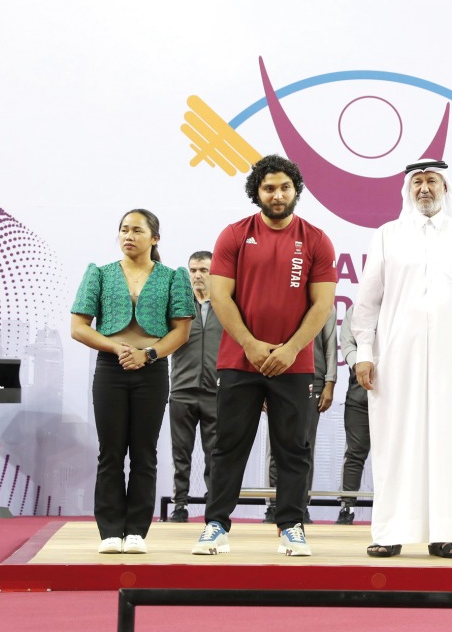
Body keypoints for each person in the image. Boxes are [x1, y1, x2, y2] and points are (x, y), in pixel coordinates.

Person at [352, 159, 452, 558]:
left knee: (450, 442)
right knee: (394, 442)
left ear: (445, 187)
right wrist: (364, 353)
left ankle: (446, 533)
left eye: (431, 181)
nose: (424, 189)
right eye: (417, 182)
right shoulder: (387, 236)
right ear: (407, 189)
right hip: (395, 360)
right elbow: (365, 303)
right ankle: (388, 532)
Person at [192, 155, 336, 557]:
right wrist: (252, 345)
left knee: (294, 449)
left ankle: (291, 526)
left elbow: (322, 305)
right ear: (256, 192)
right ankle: (216, 525)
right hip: (240, 361)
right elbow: (220, 296)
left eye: (284, 187)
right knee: (228, 446)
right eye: (269, 188)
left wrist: (290, 349)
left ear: (296, 191)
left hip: (295, 364)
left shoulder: (317, 239)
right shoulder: (234, 235)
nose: (277, 195)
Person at [70, 209, 193, 554]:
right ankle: (110, 530)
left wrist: (148, 355)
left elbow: (181, 332)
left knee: (144, 453)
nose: (128, 236)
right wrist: (116, 347)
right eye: (124, 230)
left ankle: (136, 530)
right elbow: (78, 327)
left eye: (137, 230)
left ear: (155, 238)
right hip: (110, 370)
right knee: (110, 452)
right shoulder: (100, 274)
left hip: (151, 372)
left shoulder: (172, 277)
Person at [265, 311, 336, 525]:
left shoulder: (325, 305)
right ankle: (273, 505)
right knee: (274, 447)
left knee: (305, 448)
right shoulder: (281, 297)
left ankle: (300, 505)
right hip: (278, 376)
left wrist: (330, 382)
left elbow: (330, 345)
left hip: (312, 380)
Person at [166, 251, 221, 523]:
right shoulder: (178, 309)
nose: (197, 275)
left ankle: (214, 507)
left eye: (204, 270)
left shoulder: (227, 308)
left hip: (216, 392)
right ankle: (180, 505)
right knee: (181, 454)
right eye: (193, 270)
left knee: (215, 455)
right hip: (182, 391)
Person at [336, 304, 369, 525]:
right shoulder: (355, 311)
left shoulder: (400, 307)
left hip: (394, 398)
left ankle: (398, 511)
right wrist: (361, 363)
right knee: (355, 454)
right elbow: (346, 343)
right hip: (359, 396)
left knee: (396, 456)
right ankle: (347, 507)